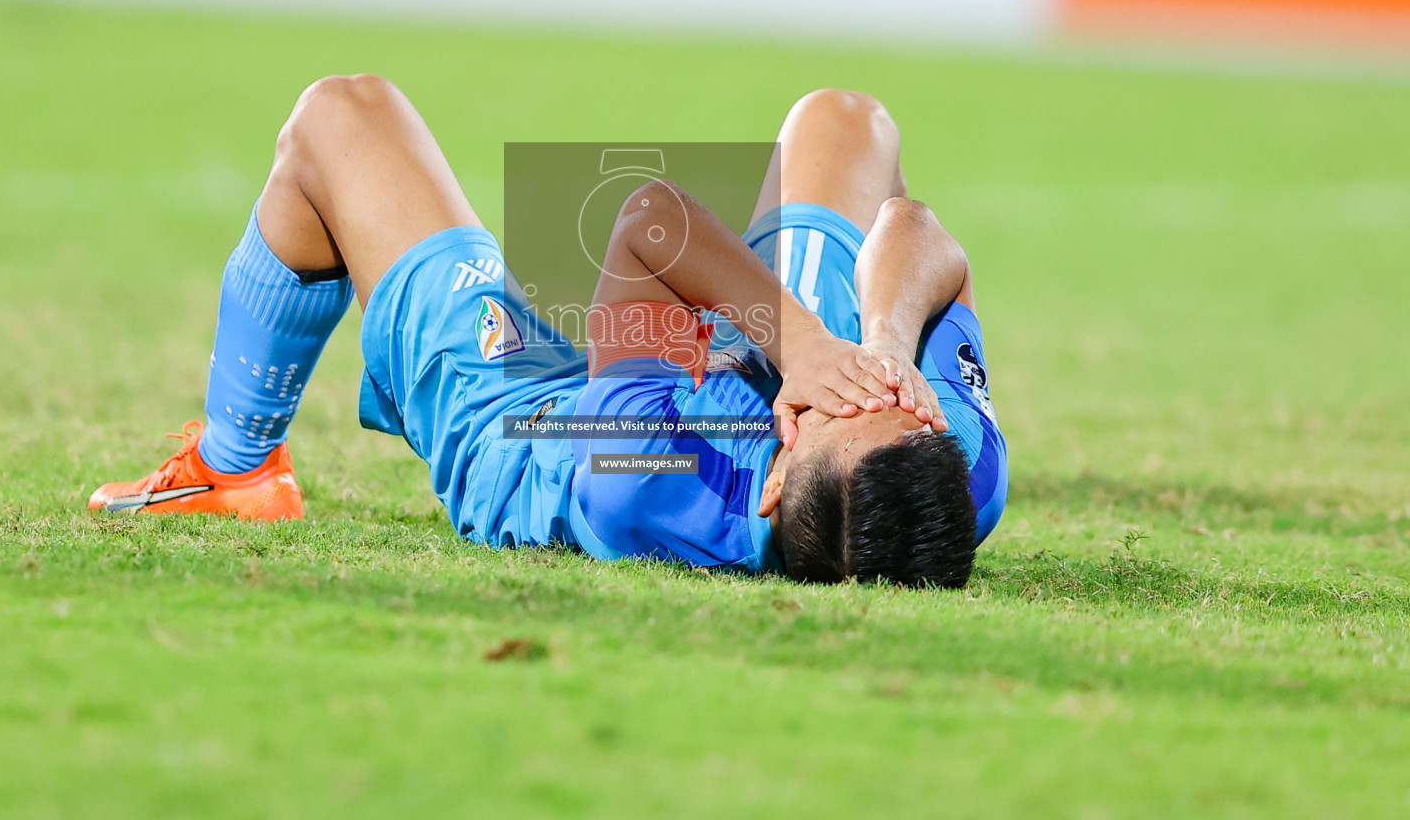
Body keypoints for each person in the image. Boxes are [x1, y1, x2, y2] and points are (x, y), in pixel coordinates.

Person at [89, 80, 1006, 586]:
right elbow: (924, 237)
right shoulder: (949, 467)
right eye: (890, 399)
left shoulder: (645, 492)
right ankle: (797, 330)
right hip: (715, 363)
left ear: (772, 485)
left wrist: (801, 347)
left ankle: (235, 466)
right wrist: (880, 344)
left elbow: (647, 223)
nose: (864, 390)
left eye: (838, 407)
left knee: (340, 118)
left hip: (536, 427)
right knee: (846, 122)